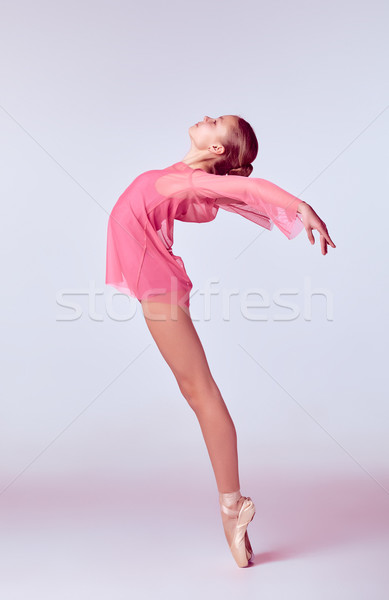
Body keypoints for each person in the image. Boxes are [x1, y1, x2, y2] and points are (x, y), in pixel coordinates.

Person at [105, 114, 336, 567]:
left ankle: (232, 507)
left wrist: (299, 205)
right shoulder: (178, 177)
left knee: (200, 391)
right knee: (197, 390)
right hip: (155, 280)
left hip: (154, 284)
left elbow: (249, 190)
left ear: (216, 150)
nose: (207, 117)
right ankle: (231, 508)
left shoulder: (185, 183)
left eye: (217, 123)